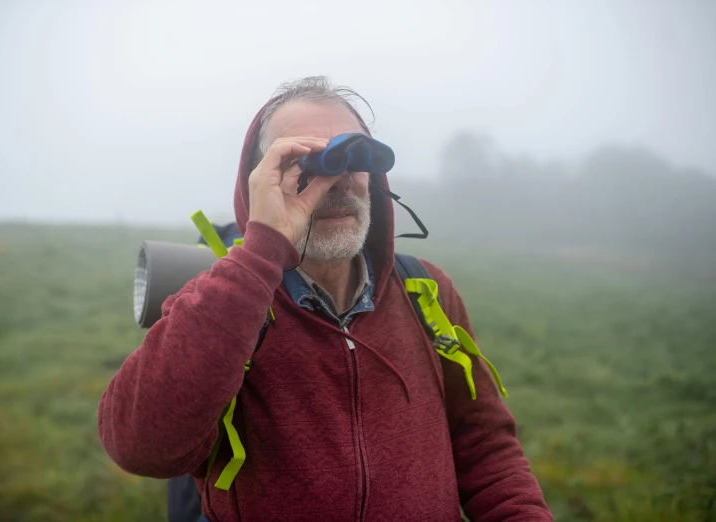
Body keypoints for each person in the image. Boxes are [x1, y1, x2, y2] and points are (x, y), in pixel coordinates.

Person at [98, 76, 553, 521]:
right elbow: (141, 446)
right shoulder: (225, 301)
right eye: (306, 161)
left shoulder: (425, 291)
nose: (337, 180)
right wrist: (260, 253)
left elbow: (486, 450)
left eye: (354, 156)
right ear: (260, 184)